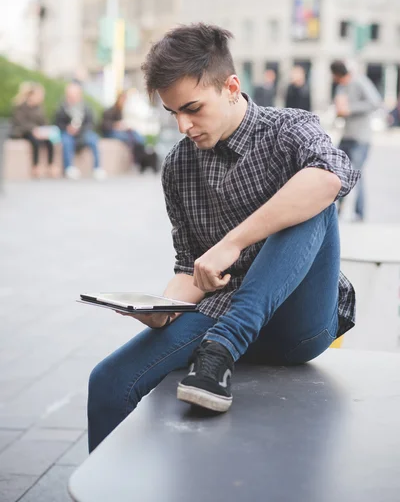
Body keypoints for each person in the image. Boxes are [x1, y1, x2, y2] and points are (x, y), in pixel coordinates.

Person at [88, 24, 359, 452]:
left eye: (193, 108)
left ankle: (223, 348)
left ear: (231, 86)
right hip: (217, 315)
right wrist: (162, 309)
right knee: (108, 381)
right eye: (172, 112)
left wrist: (232, 242)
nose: (182, 125)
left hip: (298, 323)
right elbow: (187, 266)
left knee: (313, 196)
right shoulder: (179, 166)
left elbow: (333, 177)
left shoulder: (290, 129)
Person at [330, 60, 381, 221]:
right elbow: (341, 109)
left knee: (356, 174)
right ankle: (337, 210)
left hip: (361, 137)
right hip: (346, 136)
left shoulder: (359, 81)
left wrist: (350, 109)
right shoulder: (341, 88)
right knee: (337, 171)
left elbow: (375, 102)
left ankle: (359, 213)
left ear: (338, 74)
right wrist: (340, 112)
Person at [55, 81, 106, 180]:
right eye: (70, 95)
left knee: (94, 139)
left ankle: (97, 168)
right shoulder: (62, 107)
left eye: (74, 94)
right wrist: (67, 128)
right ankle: (69, 168)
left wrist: (80, 129)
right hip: (68, 133)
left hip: (83, 133)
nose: (72, 97)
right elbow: (57, 123)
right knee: (66, 141)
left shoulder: (86, 107)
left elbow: (91, 123)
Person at [9, 82, 58, 178]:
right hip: (23, 131)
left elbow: (43, 121)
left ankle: (51, 165)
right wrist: (33, 129)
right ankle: (35, 166)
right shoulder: (21, 106)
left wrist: (45, 130)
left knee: (49, 141)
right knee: (35, 141)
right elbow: (20, 122)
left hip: (38, 132)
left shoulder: (39, 107)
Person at [100, 90, 146, 169]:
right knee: (127, 138)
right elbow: (104, 125)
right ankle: (135, 160)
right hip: (110, 132)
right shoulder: (110, 110)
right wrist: (116, 125)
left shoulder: (121, 111)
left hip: (122, 131)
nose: (124, 102)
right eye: (123, 99)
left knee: (138, 137)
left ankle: (138, 159)